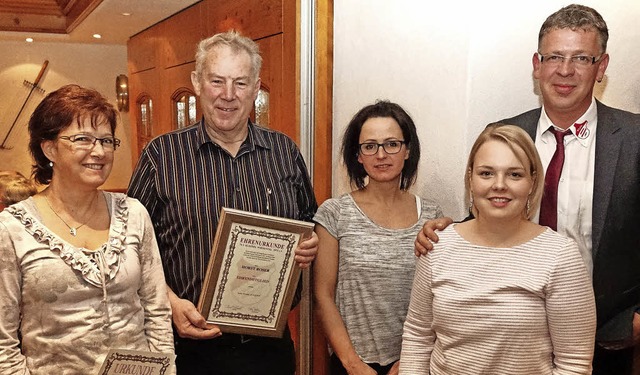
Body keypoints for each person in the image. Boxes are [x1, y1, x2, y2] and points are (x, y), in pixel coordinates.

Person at [415, 5, 640, 374]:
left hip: (607, 338)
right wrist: (448, 232)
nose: (564, 70)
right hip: (512, 339)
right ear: (537, 65)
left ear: (601, 67)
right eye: (554, 57)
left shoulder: (634, 140)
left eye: (581, 58)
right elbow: (492, 216)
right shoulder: (504, 133)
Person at [127, 30, 319, 375]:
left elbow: (308, 223)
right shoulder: (161, 155)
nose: (228, 96)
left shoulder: (285, 152)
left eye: (240, 83)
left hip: (269, 349)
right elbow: (130, 246)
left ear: (256, 87)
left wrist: (309, 243)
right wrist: (169, 303)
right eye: (217, 81)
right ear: (197, 82)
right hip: (190, 348)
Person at [0, 84, 175, 374]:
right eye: (83, 139)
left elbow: (157, 312)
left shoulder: (133, 213)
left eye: (107, 141)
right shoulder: (12, 229)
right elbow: (2, 344)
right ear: (49, 148)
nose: (99, 151)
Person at [401, 124, 596, 374]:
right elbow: (417, 337)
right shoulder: (437, 246)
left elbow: (574, 363)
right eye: (486, 173)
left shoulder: (559, 256)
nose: (499, 185)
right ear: (470, 179)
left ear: (532, 182)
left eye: (514, 174)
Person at [313, 101, 442, 375]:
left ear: (407, 150)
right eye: (370, 146)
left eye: (392, 144)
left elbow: (437, 296)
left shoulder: (431, 215)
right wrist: (352, 363)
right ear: (358, 156)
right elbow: (323, 295)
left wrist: (410, 359)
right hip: (353, 366)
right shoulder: (334, 213)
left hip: (414, 363)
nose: (381, 154)